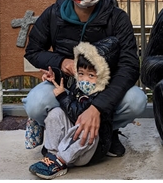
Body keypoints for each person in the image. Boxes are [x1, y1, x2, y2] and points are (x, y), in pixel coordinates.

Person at [22, 0, 146, 163]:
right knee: (35, 103)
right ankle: (59, 132)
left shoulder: (117, 18)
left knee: (136, 100)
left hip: (102, 88)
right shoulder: (53, 15)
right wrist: (61, 62)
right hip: (65, 83)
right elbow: (33, 51)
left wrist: (98, 108)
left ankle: (105, 132)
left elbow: (129, 65)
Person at [29, 37, 122, 179]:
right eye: (81, 74)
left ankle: (60, 161)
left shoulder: (103, 94)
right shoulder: (79, 85)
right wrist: (55, 75)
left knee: (86, 125)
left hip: (87, 151)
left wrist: (62, 97)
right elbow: (70, 91)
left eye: (91, 75)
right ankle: (52, 155)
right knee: (55, 113)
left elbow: (78, 114)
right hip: (72, 144)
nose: (84, 79)